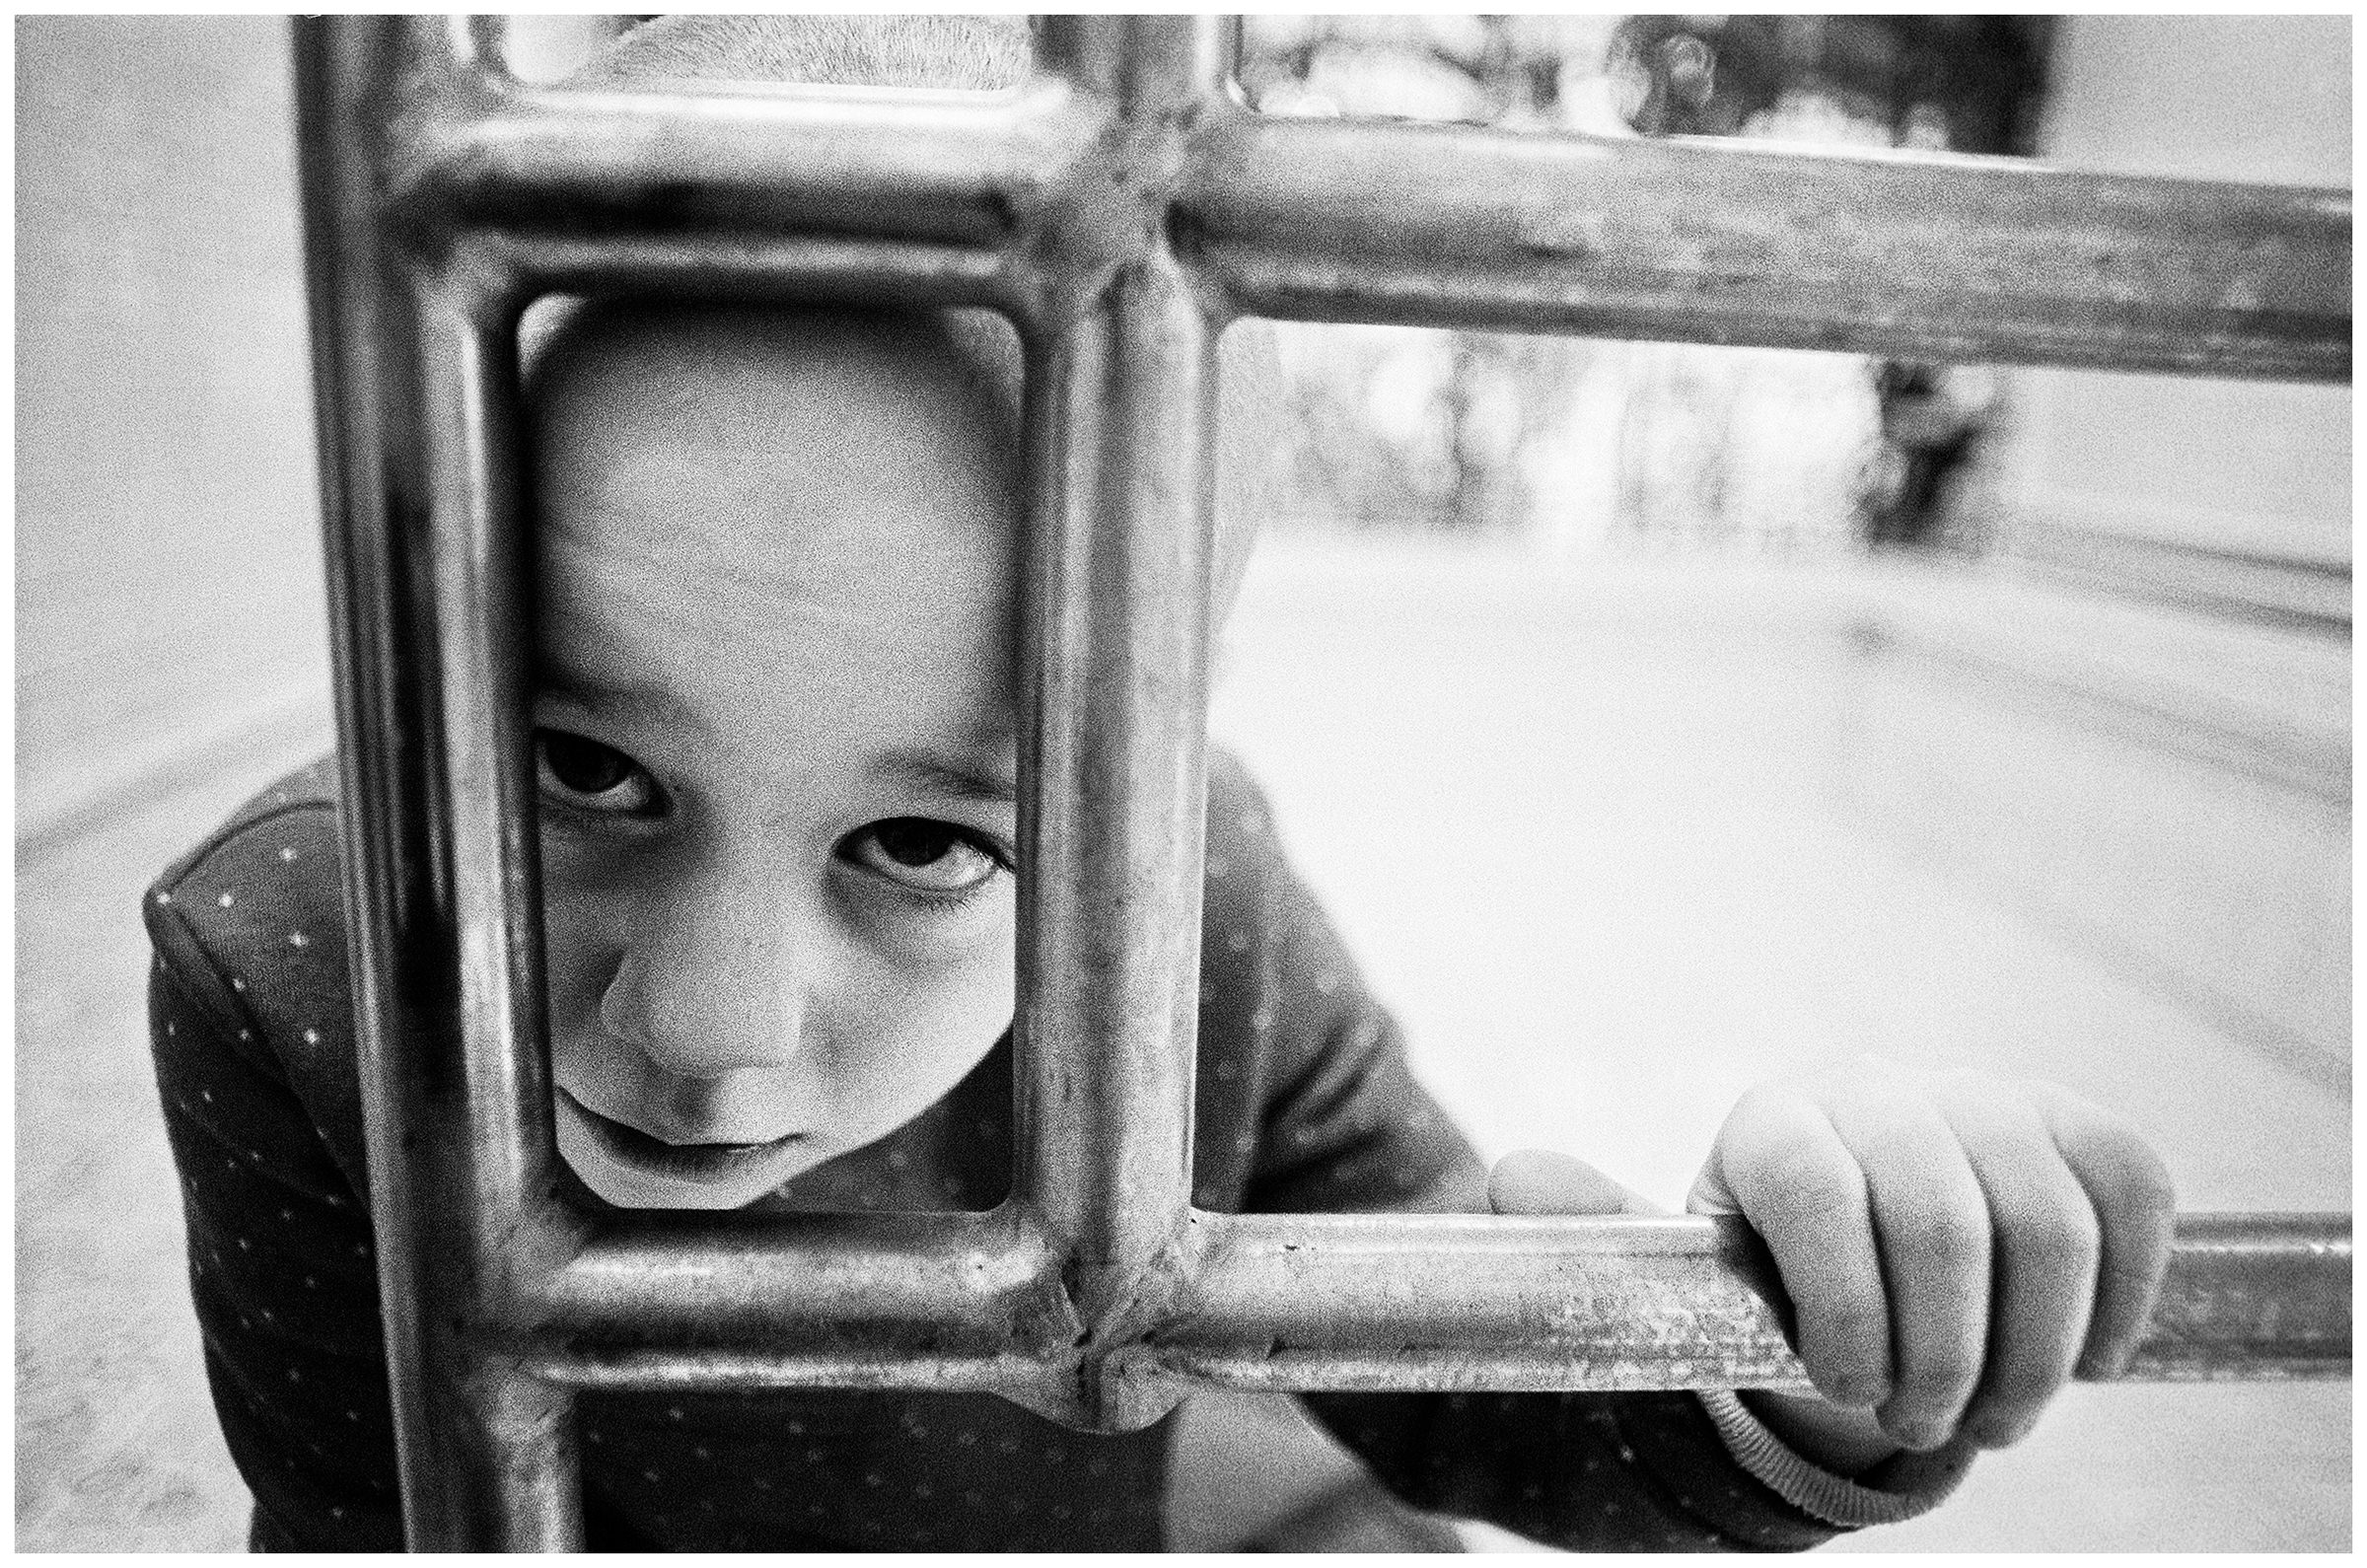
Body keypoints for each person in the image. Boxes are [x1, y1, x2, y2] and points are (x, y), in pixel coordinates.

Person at [145, 15, 2176, 1553]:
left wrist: (1799, 1330)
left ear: (1135, 765)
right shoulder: (286, 953)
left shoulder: (1184, 901)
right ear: (428, 620)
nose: (708, 1036)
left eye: (926, 841)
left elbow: (1477, 1400)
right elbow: (362, 1515)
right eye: (584, 766)